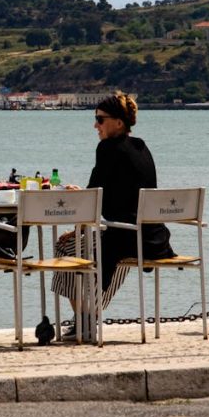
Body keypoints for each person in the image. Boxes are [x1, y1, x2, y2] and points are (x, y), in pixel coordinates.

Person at [50, 91, 174, 340]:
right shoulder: (141, 146)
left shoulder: (107, 148)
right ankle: (88, 318)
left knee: (66, 248)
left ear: (118, 122)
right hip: (153, 238)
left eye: (100, 119)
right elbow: (118, 197)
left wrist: (77, 211)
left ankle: (85, 320)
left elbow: (93, 200)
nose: (95, 125)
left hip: (125, 236)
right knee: (98, 245)